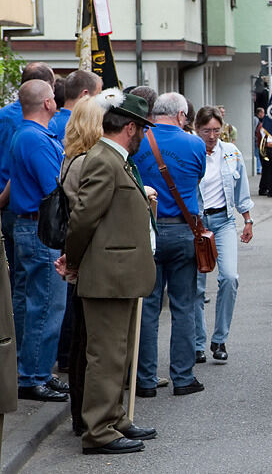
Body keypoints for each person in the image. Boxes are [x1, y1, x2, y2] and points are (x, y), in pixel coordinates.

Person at [62, 90, 158, 455]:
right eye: (142, 129)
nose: (144, 137)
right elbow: (83, 217)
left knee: (118, 353)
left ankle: (114, 418)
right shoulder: (104, 159)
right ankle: (99, 430)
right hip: (108, 275)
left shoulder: (113, 159)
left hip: (119, 274)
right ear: (129, 127)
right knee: (105, 355)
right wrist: (72, 260)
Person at [132, 92, 207, 397]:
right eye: (186, 117)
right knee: (184, 306)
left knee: (148, 307)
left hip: (145, 229)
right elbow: (197, 176)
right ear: (179, 115)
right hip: (182, 231)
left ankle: (146, 380)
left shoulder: (138, 140)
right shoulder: (194, 144)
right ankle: (183, 376)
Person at [55, 96, 108, 434]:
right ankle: (84, 415)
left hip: (81, 254)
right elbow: (86, 216)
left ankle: (81, 413)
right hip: (89, 256)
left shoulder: (71, 159)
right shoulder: (86, 162)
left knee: (81, 339)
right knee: (86, 341)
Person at [193, 106, 253, 365]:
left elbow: (241, 190)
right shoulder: (191, 152)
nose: (212, 135)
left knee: (229, 277)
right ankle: (197, 343)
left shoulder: (231, 153)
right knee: (195, 287)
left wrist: (247, 219)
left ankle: (219, 338)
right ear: (197, 130)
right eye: (207, 130)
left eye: (216, 130)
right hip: (196, 223)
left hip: (224, 220)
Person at [0, 63, 55, 318]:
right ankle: (29, 357)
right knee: (42, 301)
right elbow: (52, 187)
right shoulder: (38, 131)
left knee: (18, 289)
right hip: (37, 217)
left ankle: (16, 352)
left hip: (12, 208)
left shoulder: (7, 119)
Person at [51, 70, 102, 142]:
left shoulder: (50, 121)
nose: (100, 101)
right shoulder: (80, 127)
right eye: (98, 94)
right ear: (85, 94)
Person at [253, 107, 265, 174]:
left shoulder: (257, 119)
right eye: (263, 112)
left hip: (257, 140)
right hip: (256, 140)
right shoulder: (256, 119)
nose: (264, 114)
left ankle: (259, 168)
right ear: (259, 113)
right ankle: (258, 169)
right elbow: (254, 130)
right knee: (257, 154)